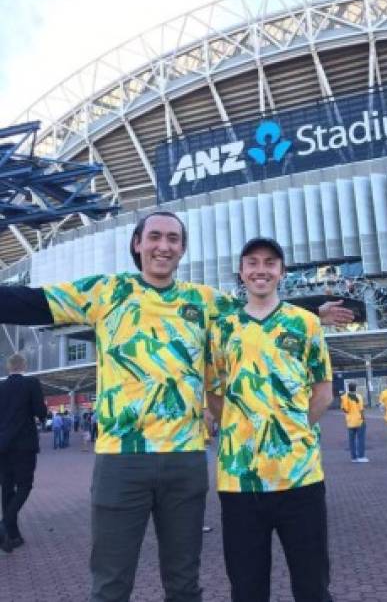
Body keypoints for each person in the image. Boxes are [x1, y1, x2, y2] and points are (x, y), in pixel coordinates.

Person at [0, 211, 353, 601]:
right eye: (154, 237)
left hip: (185, 459)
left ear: (182, 249)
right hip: (122, 458)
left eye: (173, 239)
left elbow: (259, 306)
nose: (163, 246)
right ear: (138, 243)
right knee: (110, 584)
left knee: (184, 584)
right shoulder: (106, 291)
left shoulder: (202, 301)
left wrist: (315, 312)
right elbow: (33, 302)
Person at [206, 237, 335, 602]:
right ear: (242, 272)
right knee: (247, 589)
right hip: (239, 482)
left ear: (281, 272)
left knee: (312, 586)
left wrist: (291, 432)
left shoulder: (306, 323)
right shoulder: (222, 328)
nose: (261, 269)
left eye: (270, 263)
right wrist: (241, 430)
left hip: (301, 477)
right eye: (252, 262)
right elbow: (214, 393)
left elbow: (322, 390)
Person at [0, 353, 47, 553]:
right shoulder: (32, 383)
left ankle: (13, 536)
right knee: (25, 485)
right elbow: (40, 411)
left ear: (8, 368)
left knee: (7, 487)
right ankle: (4, 524)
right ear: (24, 365)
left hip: (3, 445)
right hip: (24, 445)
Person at [340, 382, 368, 463]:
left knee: (351, 440)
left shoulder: (344, 397)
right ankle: (361, 456)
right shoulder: (358, 396)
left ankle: (353, 457)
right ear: (355, 388)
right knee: (361, 439)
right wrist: (364, 419)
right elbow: (361, 409)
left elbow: (344, 409)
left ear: (348, 388)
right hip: (359, 420)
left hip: (350, 421)